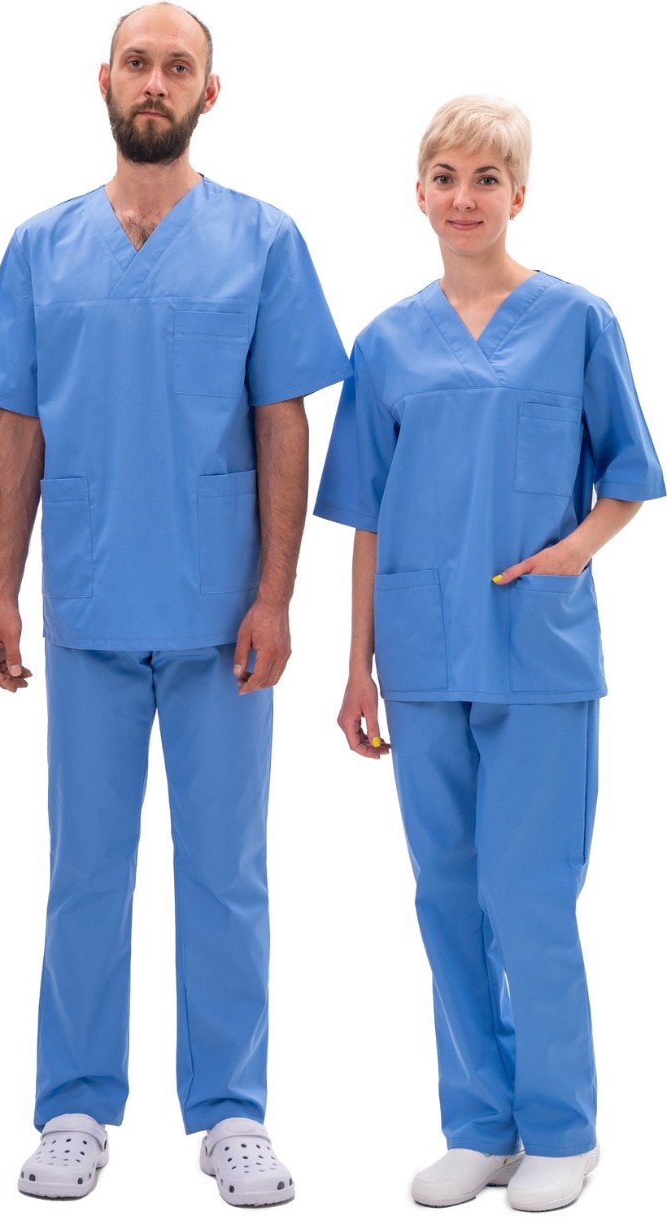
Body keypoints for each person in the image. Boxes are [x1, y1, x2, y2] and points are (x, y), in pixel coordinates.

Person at [0, 3, 349, 1207]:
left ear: (207, 93)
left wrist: (274, 594)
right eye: (138, 61)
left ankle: (231, 1112)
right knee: (84, 866)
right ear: (103, 79)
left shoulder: (262, 240)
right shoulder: (41, 246)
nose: (155, 80)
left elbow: (282, 421)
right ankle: (74, 1106)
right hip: (84, 606)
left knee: (225, 871)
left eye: (178, 65)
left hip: (220, 613)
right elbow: (15, 425)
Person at [315, 96, 664, 1212]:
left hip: (537, 653)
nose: (463, 197)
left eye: (485, 178)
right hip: (421, 659)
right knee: (447, 898)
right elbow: (367, 515)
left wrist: (571, 551)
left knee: (530, 896)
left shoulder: (577, 320)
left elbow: (629, 472)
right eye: (445, 177)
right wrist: (357, 664)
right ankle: (479, 1126)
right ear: (417, 192)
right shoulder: (384, 343)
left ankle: (563, 1128)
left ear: (520, 194)